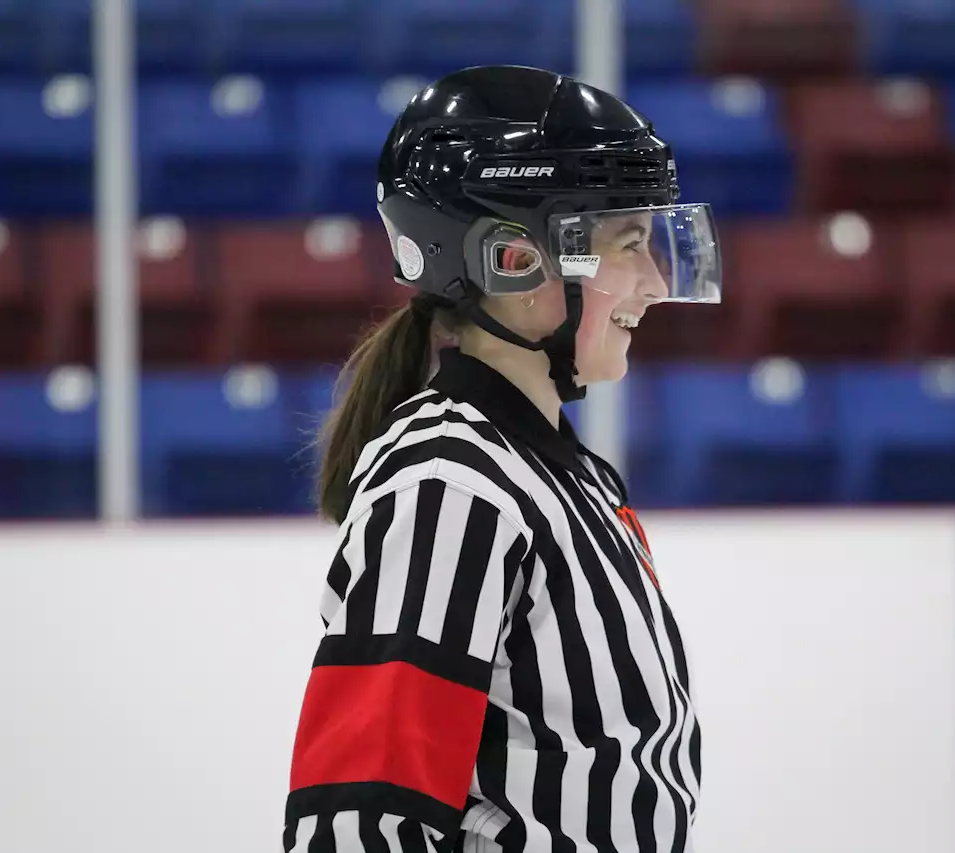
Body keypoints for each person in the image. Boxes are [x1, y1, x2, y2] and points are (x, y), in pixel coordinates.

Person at [283, 65, 722, 853]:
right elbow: (356, 821)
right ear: (514, 261)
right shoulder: (449, 482)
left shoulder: (565, 474)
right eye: (629, 244)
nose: (654, 281)